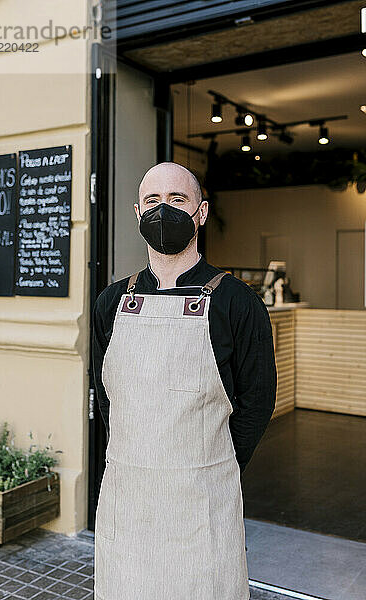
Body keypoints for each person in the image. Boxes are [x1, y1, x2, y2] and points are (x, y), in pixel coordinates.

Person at [92, 161, 277, 600]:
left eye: (178, 200)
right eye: (153, 201)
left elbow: (256, 401)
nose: (164, 211)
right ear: (138, 212)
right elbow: (106, 395)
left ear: (201, 213)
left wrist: (212, 464)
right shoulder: (112, 301)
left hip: (201, 505)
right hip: (129, 501)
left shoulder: (237, 302)